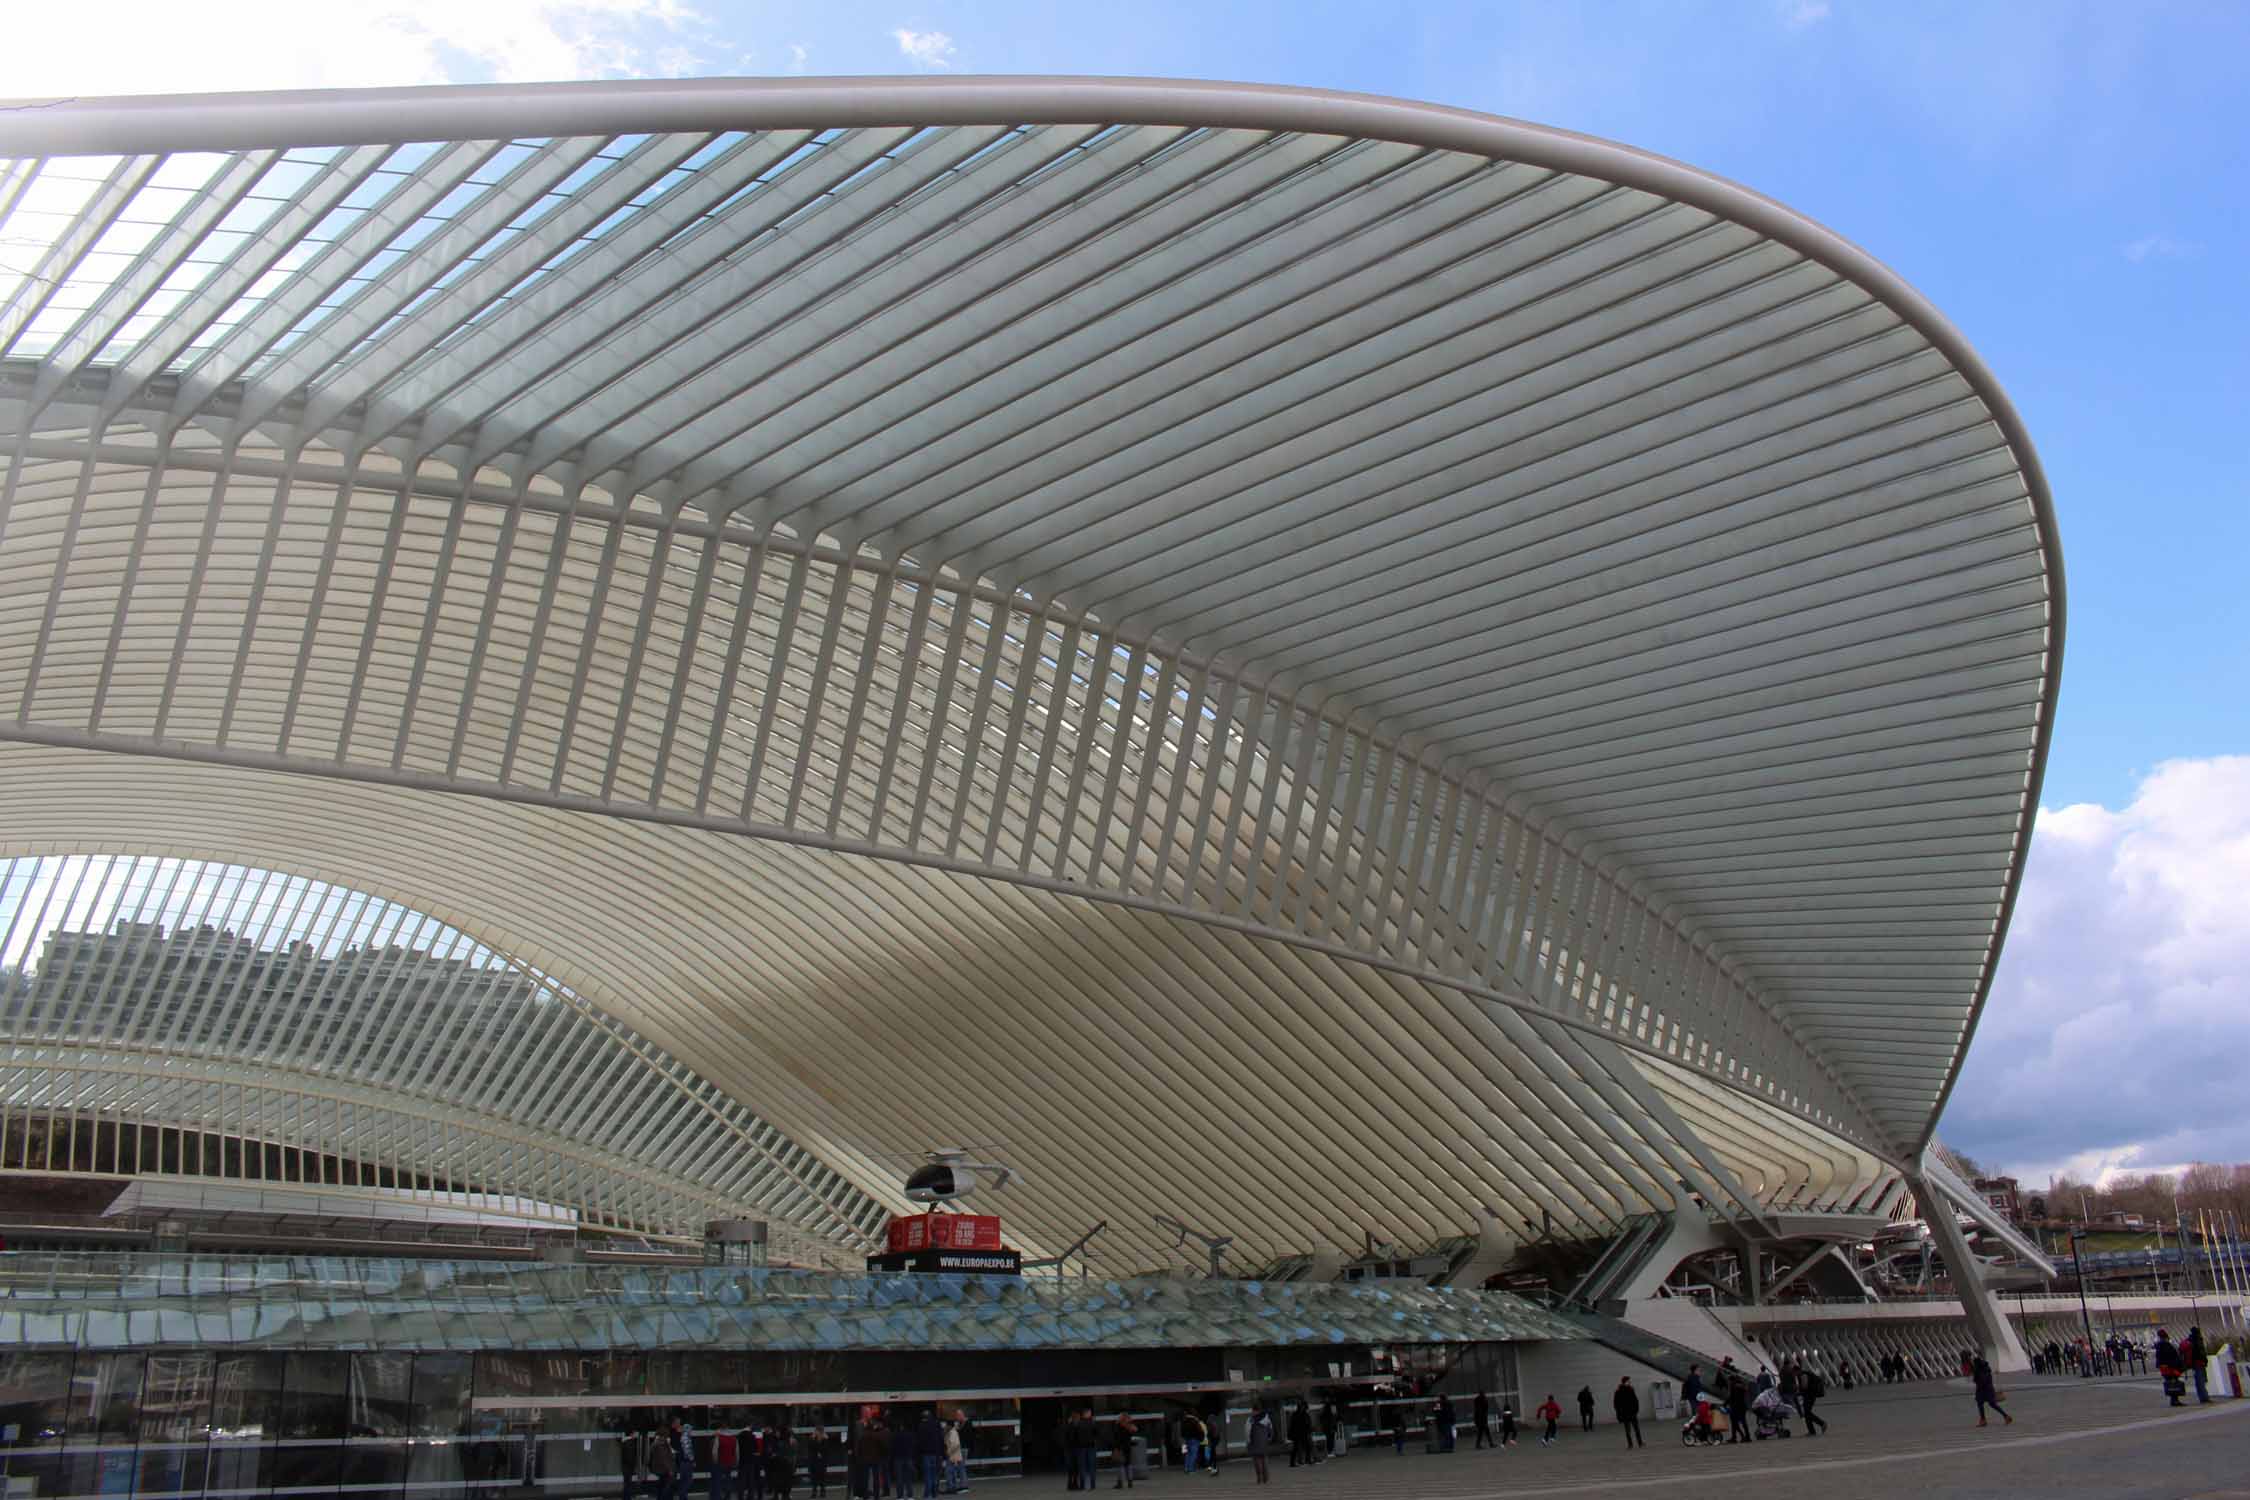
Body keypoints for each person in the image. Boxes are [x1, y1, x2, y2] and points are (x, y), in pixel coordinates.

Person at [1972, 1354, 2011, 1428]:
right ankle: (2006, 1416)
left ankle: (1983, 1420)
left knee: (1981, 1404)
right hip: (1989, 1389)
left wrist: (1976, 1378)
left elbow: (1980, 1380)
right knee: (1991, 1404)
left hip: (1983, 1390)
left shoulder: (1979, 1370)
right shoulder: (1986, 1368)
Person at [2155, 1330, 2186, 1406]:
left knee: (2171, 1382)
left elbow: (2160, 1358)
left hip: (2165, 1367)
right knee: (2173, 1382)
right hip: (2170, 1367)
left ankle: (2174, 1400)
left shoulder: (2160, 1345)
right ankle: (2175, 1400)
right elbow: (2170, 1356)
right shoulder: (2165, 1345)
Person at [1245, 1404, 1273, 1486]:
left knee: (1257, 1460)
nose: (1252, 1412)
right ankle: (1266, 1478)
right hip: (1264, 1442)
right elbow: (1271, 1430)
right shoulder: (1267, 1418)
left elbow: (1247, 1432)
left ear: (1254, 1410)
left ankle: (1259, 1478)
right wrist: (1269, 1438)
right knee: (1264, 1459)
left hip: (1254, 1442)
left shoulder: (1251, 1419)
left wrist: (1248, 1442)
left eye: (1253, 1410)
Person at [1612, 1377, 1642, 1449]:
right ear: (1625, 1382)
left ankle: (1637, 1443)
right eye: (1628, 1381)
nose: (1630, 1382)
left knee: (1634, 1429)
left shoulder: (1630, 1389)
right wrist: (1619, 1413)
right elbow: (1616, 1404)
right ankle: (1632, 1444)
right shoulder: (1619, 1391)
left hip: (1631, 1413)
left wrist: (1636, 1410)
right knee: (1630, 1430)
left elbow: (1635, 1400)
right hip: (1626, 1414)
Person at [1111, 1412, 1137, 1491]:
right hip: (1128, 1447)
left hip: (1120, 1447)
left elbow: (1117, 1438)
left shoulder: (1118, 1426)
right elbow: (1134, 1431)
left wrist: (1115, 1448)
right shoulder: (1129, 1426)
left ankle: (1120, 1482)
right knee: (1128, 1464)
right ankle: (1130, 1482)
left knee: (1120, 1465)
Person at [712, 1427, 740, 1500]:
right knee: (728, 1479)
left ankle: (717, 1497)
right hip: (730, 1462)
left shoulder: (719, 1438)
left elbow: (714, 1452)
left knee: (718, 1480)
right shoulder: (734, 1439)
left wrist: (715, 1461)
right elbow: (737, 1452)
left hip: (720, 1462)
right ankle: (728, 1496)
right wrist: (736, 1461)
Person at [2185, 1327, 2212, 1404]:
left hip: (2194, 1363)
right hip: (2199, 1363)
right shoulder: (2197, 1340)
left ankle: (2202, 1397)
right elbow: (2201, 1352)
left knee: (2199, 1381)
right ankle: (2204, 1397)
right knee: (2201, 1381)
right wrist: (2205, 1360)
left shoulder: (2190, 1340)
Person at [1798, 1366, 1827, 1436]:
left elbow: (1805, 1386)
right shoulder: (1806, 1374)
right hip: (1811, 1395)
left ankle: (1822, 1423)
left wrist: (1798, 1390)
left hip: (1809, 1396)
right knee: (1807, 1413)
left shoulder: (1803, 1375)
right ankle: (1812, 1431)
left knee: (1807, 1413)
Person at [1725, 1374, 1751, 1446]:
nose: (1728, 1382)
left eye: (1728, 1381)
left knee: (1734, 1422)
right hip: (1742, 1406)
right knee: (1743, 1422)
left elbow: (1732, 1397)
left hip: (1736, 1407)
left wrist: (1725, 1404)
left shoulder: (1734, 1386)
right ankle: (1747, 1437)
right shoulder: (1741, 1385)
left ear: (1731, 1380)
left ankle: (1737, 1437)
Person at [944, 1419, 966, 1495]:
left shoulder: (952, 1432)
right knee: (952, 1472)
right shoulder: (951, 1432)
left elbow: (955, 1445)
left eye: (946, 1425)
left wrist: (948, 1452)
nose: (945, 1426)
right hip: (954, 1456)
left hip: (952, 1456)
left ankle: (951, 1488)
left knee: (949, 1472)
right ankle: (952, 1488)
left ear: (949, 1425)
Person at [1286, 1402, 1311, 1467]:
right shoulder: (1304, 1414)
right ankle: (1307, 1460)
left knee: (1297, 1448)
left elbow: (1292, 1424)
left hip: (1297, 1433)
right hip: (1301, 1433)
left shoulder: (1296, 1414)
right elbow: (1307, 1424)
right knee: (1305, 1447)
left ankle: (1294, 1462)